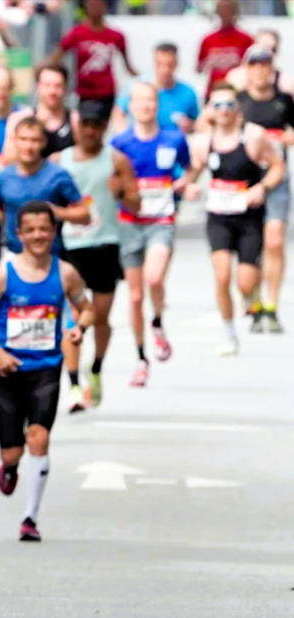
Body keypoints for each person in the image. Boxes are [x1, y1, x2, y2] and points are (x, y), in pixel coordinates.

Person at [0, 201, 94, 542]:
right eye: (31, 230)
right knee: (12, 451)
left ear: (53, 232)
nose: (38, 236)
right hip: (7, 369)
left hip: (45, 368)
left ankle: (30, 517)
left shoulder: (65, 272)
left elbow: (86, 308)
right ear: (19, 234)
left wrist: (79, 328)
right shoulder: (3, 274)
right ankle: (9, 466)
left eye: (44, 229)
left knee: (39, 437)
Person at [184, 83, 285, 354]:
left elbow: (278, 166)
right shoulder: (204, 142)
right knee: (221, 275)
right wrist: (187, 186)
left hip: (249, 217)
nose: (224, 111)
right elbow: (191, 173)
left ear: (238, 109)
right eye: (218, 105)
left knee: (245, 283)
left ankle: (252, 298)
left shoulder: (252, 136)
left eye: (229, 105)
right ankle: (229, 334)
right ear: (210, 110)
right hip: (218, 217)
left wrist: (261, 188)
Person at [58, 100, 140, 410]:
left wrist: (121, 193)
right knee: (74, 316)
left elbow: (136, 204)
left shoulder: (116, 160)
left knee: (101, 316)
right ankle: (74, 384)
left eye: (96, 125)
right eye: (85, 125)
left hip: (106, 244)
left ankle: (95, 368)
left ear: (104, 128)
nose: (90, 131)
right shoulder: (60, 160)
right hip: (71, 247)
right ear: (76, 125)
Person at [112, 82, 191, 387]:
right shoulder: (120, 143)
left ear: (157, 105)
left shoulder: (173, 139)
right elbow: (111, 179)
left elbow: (188, 168)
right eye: (139, 100)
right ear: (130, 106)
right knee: (134, 296)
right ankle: (141, 358)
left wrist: (184, 183)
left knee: (154, 278)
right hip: (129, 222)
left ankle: (157, 321)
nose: (145, 106)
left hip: (161, 220)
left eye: (150, 100)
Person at [236, 45, 294, 333]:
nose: (260, 70)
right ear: (247, 68)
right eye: (255, 65)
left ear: (272, 68)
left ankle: (271, 304)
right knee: (250, 244)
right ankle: (254, 301)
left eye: (265, 65)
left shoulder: (283, 100)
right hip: (244, 181)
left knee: (274, 239)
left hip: (277, 178)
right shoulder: (238, 101)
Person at [0, 116, 89, 258]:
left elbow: (85, 215)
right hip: (13, 253)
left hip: (50, 255)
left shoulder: (58, 175)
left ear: (44, 142)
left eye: (35, 140)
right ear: (14, 140)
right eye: (24, 139)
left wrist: (56, 212)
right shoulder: (2, 177)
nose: (29, 146)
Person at [49, 0, 136, 119]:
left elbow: (128, 66)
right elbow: (58, 54)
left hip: (106, 92)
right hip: (85, 92)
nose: (94, 8)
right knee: (87, 124)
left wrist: (143, 78)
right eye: (91, 5)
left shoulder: (115, 36)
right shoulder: (78, 33)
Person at [112, 42, 199, 135]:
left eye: (169, 64)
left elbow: (197, 123)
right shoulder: (138, 87)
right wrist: (125, 137)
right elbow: (118, 113)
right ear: (154, 63)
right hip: (141, 140)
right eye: (159, 64)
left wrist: (189, 126)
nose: (165, 70)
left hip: (172, 142)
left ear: (176, 64)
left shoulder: (187, 92)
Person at [4, 64, 76, 163]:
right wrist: (45, 163)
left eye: (58, 85)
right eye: (47, 85)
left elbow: (86, 156)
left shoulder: (75, 119)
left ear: (65, 88)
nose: (52, 91)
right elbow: (7, 159)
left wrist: (65, 157)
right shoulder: (19, 119)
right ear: (37, 87)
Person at [197, 0, 253, 98]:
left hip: (238, 93)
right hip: (213, 93)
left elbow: (252, 68)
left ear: (235, 13)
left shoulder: (246, 39)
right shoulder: (208, 40)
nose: (226, 15)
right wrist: (211, 63)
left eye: (229, 11)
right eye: (223, 11)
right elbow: (199, 68)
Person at [226, 30, 294, 96]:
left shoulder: (285, 82)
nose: (267, 53)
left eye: (273, 49)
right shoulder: (236, 78)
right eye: (262, 48)